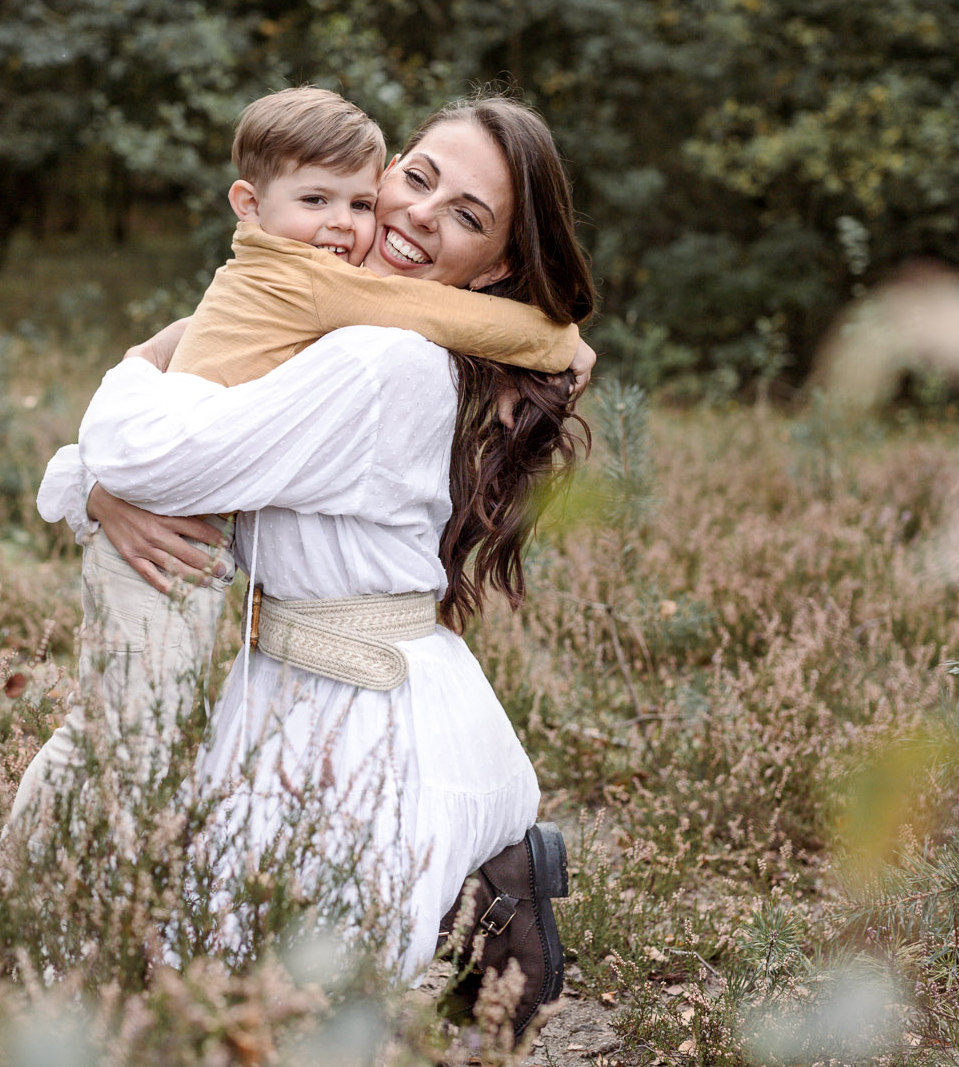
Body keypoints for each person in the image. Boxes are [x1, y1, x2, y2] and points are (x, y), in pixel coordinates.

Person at [47, 95, 595, 1040]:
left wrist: (122, 427)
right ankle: (487, 893)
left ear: (499, 264)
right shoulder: (328, 322)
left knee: (241, 1018)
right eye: (417, 178)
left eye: (467, 215)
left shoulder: (382, 361)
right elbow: (106, 461)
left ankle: (486, 902)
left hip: (364, 721)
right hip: (292, 686)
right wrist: (98, 491)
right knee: (168, 976)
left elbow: (146, 453)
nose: (420, 214)